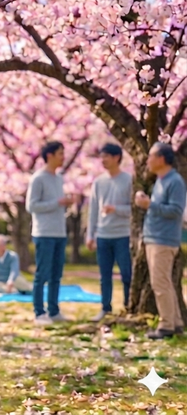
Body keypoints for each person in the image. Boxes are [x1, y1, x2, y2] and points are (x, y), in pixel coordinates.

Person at [135, 142, 186, 340]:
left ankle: (166, 326)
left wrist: (149, 204)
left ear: (162, 158)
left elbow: (175, 211)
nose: (148, 161)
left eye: (151, 156)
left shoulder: (175, 182)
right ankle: (176, 322)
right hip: (154, 237)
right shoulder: (161, 180)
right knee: (164, 282)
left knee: (160, 283)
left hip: (164, 239)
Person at [26, 141, 77, 325]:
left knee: (57, 274)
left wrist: (65, 203)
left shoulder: (58, 178)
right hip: (44, 232)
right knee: (42, 274)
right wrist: (58, 202)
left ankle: (54, 311)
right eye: (60, 153)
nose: (63, 157)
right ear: (49, 155)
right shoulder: (38, 178)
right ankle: (39, 312)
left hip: (59, 232)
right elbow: (31, 206)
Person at [86, 143, 133, 322]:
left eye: (107, 156)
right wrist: (90, 235)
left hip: (123, 234)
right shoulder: (99, 182)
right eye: (102, 156)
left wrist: (117, 209)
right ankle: (105, 308)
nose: (103, 160)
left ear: (117, 158)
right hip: (103, 235)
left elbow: (134, 209)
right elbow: (93, 210)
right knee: (104, 275)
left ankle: (128, 307)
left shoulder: (128, 180)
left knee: (126, 274)